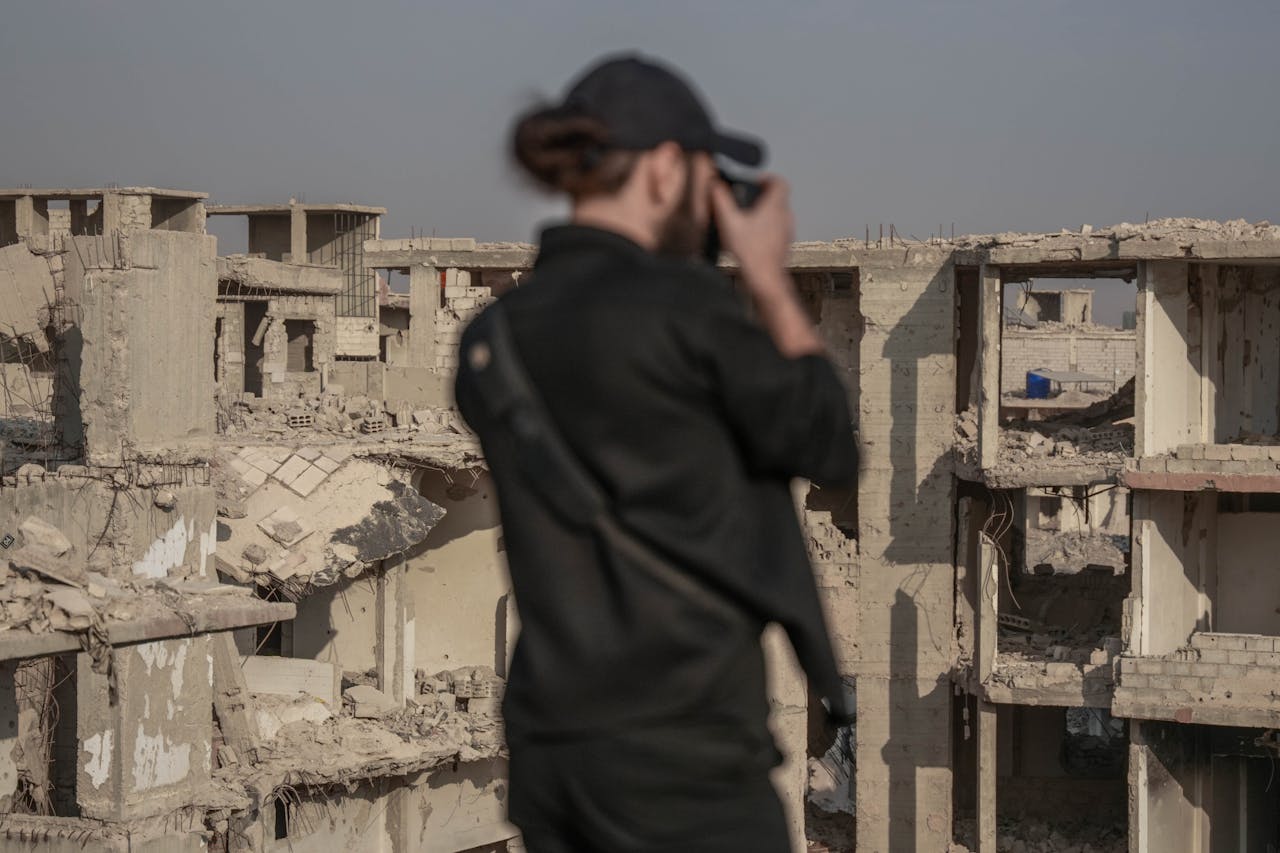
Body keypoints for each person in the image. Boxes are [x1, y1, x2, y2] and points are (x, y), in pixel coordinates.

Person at [454, 53, 858, 853]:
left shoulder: (491, 339)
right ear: (667, 169)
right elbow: (828, 444)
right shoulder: (692, 314)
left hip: (553, 754)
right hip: (684, 762)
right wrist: (769, 279)